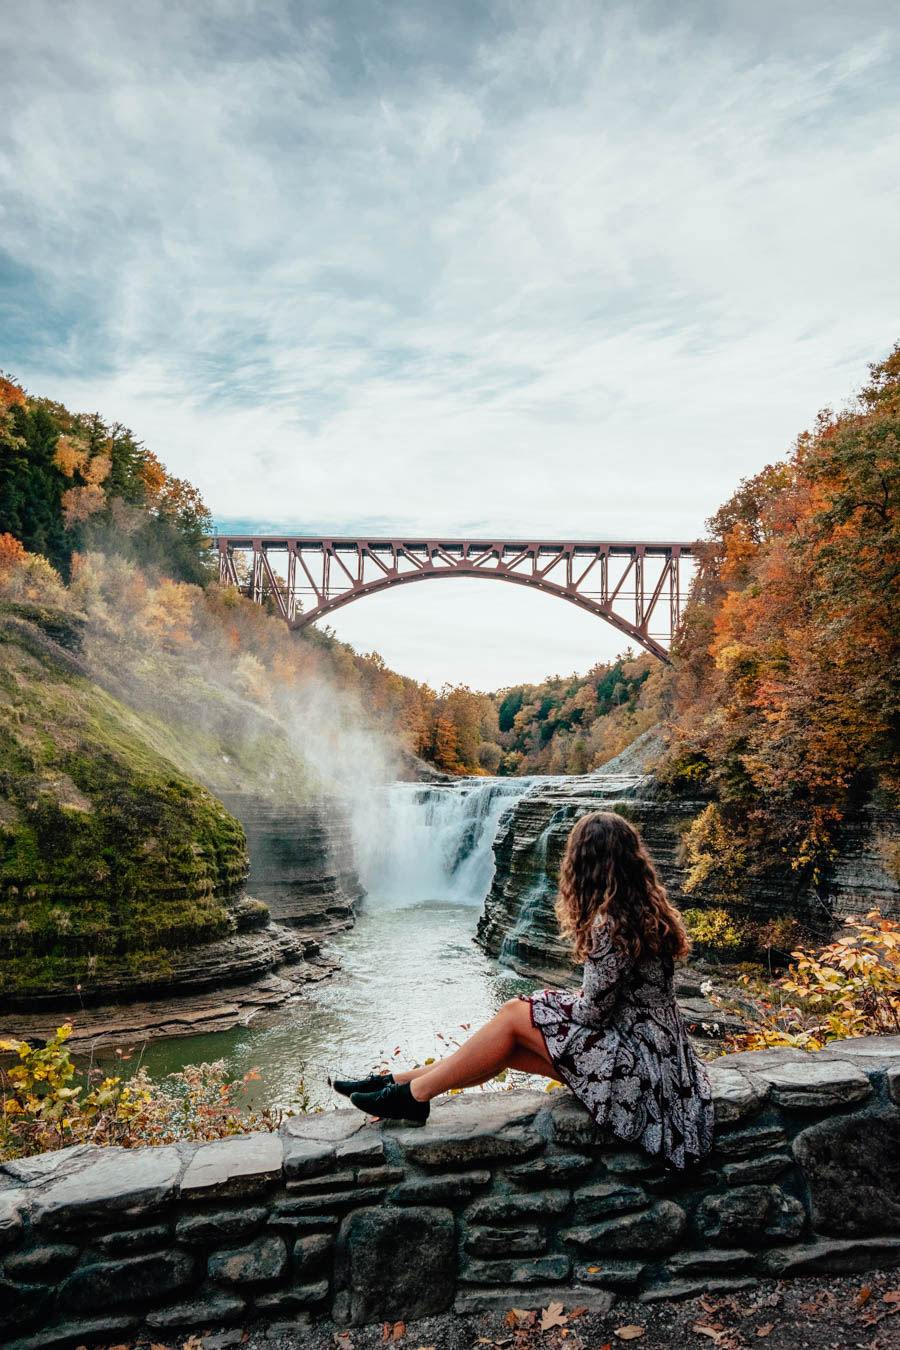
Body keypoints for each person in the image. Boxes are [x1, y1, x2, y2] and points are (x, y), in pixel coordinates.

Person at [334, 809, 716, 1170]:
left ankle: (412, 1096)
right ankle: (398, 1085)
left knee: (516, 1014)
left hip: (640, 1071)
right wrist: (549, 1004)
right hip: (664, 1060)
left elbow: (593, 1013)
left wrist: (544, 1002)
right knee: (506, 1043)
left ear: (583, 864)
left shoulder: (608, 925)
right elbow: (606, 1006)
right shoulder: (647, 911)